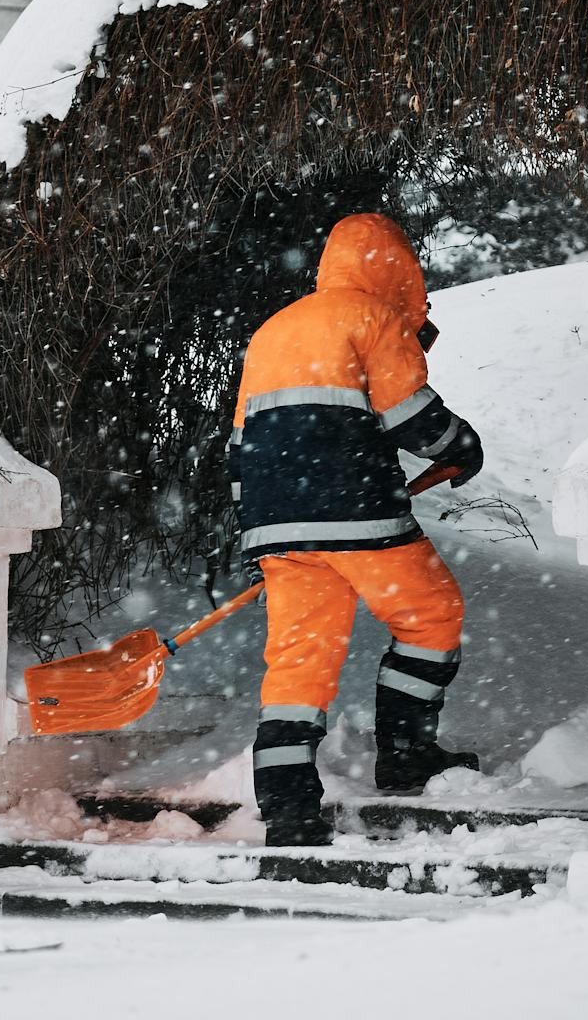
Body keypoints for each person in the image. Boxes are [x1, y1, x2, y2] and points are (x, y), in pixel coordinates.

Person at [227, 213, 486, 846]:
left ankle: (287, 806)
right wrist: (462, 445)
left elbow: (239, 443)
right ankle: (405, 752)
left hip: (274, 520)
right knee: (430, 616)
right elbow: (412, 418)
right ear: (398, 270)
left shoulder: (273, 329)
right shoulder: (374, 318)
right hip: (356, 511)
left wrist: (260, 530)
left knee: (300, 659)